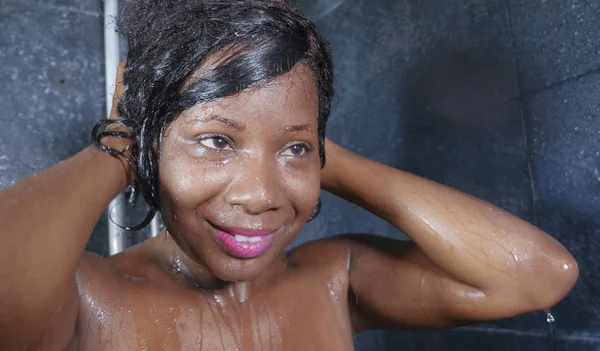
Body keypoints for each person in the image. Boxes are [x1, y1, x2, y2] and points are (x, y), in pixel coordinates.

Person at [0, 0, 578, 350]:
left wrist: (317, 149)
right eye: (216, 141)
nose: (261, 195)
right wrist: (128, 139)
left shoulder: (335, 279)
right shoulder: (84, 302)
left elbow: (536, 275)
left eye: (296, 151)